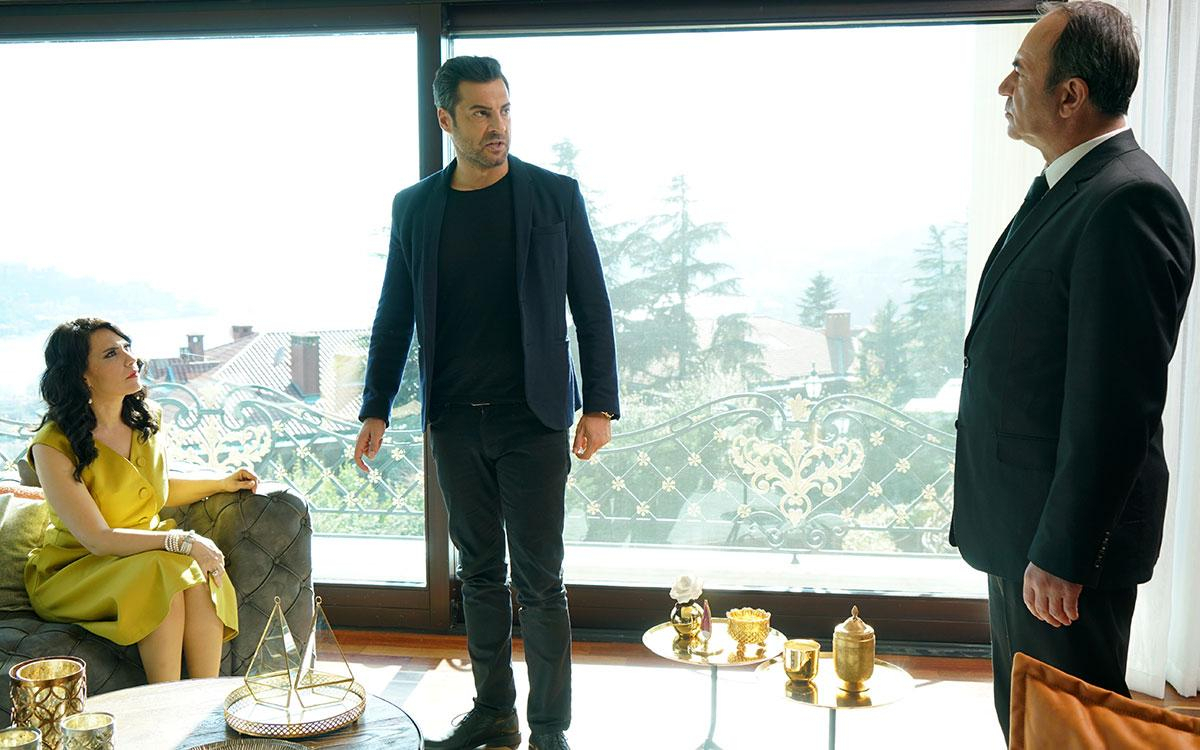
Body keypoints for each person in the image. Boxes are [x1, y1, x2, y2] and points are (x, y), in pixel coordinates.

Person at [353, 56, 620, 750]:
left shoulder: (554, 197)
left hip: (533, 418)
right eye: (480, 112)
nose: (497, 125)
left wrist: (599, 406)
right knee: (477, 575)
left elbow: (592, 307)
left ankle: (550, 728)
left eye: (503, 110)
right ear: (447, 119)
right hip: (453, 420)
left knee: (540, 582)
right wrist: (376, 405)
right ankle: (494, 711)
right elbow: (394, 313)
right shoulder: (415, 208)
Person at [951, 1, 1195, 740]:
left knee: (1067, 734)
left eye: (1019, 70)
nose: (1004, 87)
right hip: (1024, 530)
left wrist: (1063, 554)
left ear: (1070, 95)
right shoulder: (1071, 188)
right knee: (1029, 726)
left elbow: (1115, 408)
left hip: (1060, 555)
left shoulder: (1128, 202)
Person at [26, 318, 258, 682]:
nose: (130, 359)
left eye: (127, 347)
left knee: (196, 574)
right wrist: (184, 541)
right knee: (164, 571)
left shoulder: (146, 420)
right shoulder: (52, 444)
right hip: (77, 568)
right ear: (82, 375)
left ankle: (204, 699)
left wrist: (220, 483)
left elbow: (151, 489)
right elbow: (97, 539)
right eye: (111, 354)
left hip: (144, 556)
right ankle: (163, 702)